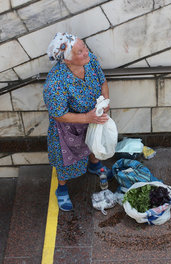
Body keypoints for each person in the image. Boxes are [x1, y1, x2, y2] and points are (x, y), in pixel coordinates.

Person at [43, 32, 112, 211]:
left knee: (93, 144)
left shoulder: (91, 60)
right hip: (68, 128)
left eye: (84, 48)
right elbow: (59, 114)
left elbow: (103, 82)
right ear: (67, 60)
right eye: (80, 51)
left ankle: (94, 165)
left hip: (93, 117)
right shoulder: (55, 83)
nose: (86, 52)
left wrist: (106, 101)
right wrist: (87, 117)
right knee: (65, 161)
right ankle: (62, 189)